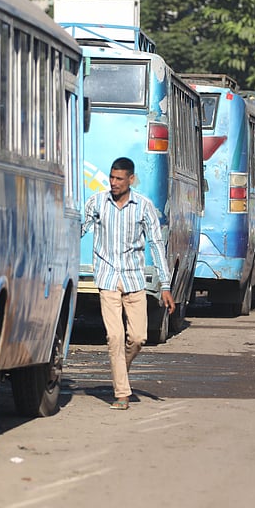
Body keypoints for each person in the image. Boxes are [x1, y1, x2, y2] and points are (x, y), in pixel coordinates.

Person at [82, 156, 175, 410]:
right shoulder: (97, 203)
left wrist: (165, 285)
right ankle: (121, 393)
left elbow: (156, 245)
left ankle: (120, 365)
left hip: (134, 280)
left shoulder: (144, 207)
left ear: (131, 180)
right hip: (107, 278)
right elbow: (81, 228)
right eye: (111, 177)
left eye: (119, 179)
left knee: (137, 338)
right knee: (114, 336)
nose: (113, 183)